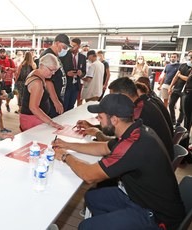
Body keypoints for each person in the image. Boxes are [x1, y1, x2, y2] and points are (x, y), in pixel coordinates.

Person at [52, 93, 185, 230]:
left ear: (114, 120)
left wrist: (65, 157)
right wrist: (67, 145)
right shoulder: (135, 131)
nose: (98, 121)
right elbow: (103, 147)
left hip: (157, 216)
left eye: (100, 117)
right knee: (92, 197)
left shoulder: (133, 145)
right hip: (140, 198)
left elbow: (89, 175)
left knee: (86, 226)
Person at [19, 53, 64, 131]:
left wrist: (56, 101)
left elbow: (48, 84)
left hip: (33, 118)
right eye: (51, 70)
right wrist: (51, 122)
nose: (53, 73)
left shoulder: (37, 73)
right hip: (31, 119)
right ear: (42, 66)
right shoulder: (37, 83)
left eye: (55, 70)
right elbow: (33, 108)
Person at [38, 34, 70, 118]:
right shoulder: (48, 55)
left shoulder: (55, 56)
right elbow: (48, 80)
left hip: (57, 97)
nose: (65, 50)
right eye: (64, 47)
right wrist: (56, 101)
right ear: (57, 43)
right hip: (51, 101)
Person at [60, 37, 87, 111]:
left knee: (71, 107)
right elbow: (59, 70)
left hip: (76, 86)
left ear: (78, 46)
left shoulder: (83, 57)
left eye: (73, 46)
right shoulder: (64, 56)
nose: (71, 47)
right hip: (66, 86)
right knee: (64, 106)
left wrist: (81, 74)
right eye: (70, 45)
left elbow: (84, 72)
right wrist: (66, 73)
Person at [168, 50, 192, 126]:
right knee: (171, 105)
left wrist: (180, 75)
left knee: (182, 109)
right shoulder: (183, 65)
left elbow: (188, 78)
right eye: (189, 55)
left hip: (186, 91)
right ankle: (173, 120)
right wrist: (170, 86)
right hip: (177, 88)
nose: (190, 57)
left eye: (191, 56)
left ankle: (178, 122)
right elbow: (175, 76)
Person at [0, 48, 16, 112]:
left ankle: (7, 104)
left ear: (5, 53)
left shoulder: (10, 61)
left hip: (8, 81)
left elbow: (15, 69)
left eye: (3, 52)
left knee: (9, 96)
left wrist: (9, 68)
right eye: (1, 53)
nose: (2, 54)